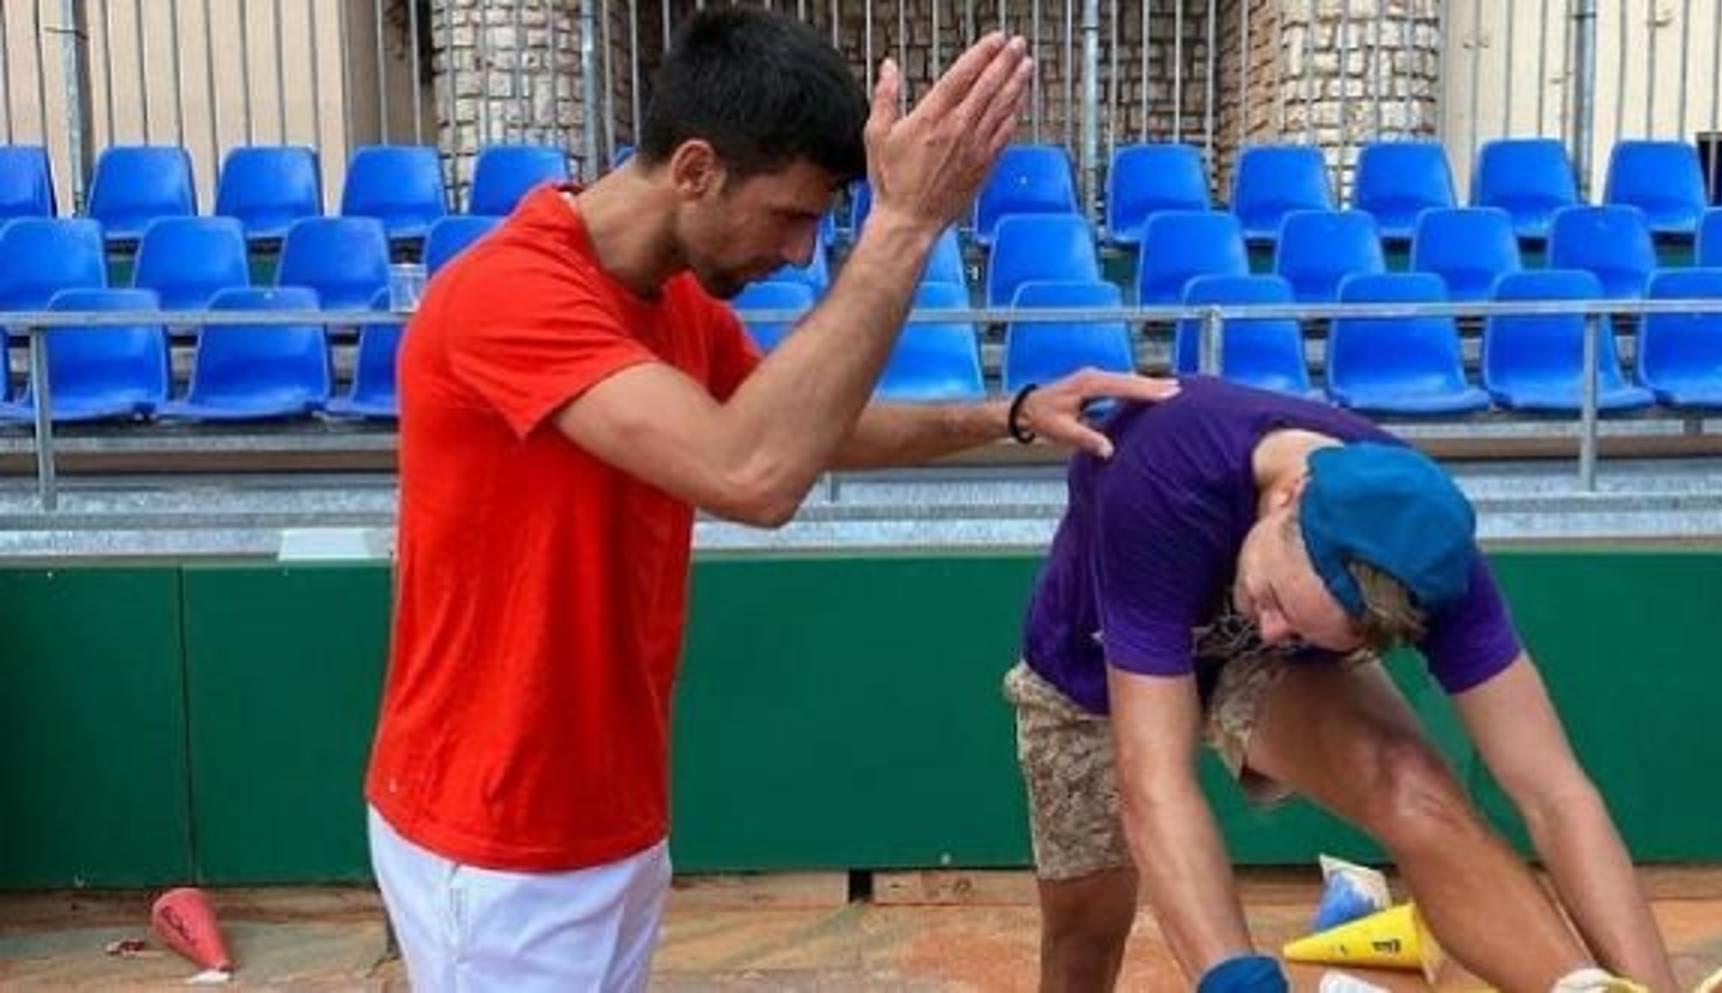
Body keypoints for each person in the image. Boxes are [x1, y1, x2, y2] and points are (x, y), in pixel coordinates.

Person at [362, 9, 1170, 990]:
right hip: (496, 826)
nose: (800, 253)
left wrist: (1008, 413)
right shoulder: (511, 295)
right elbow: (751, 472)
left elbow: (795, 425)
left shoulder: (676, 302)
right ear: (696, 169)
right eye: (792, 215)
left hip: (604, 806)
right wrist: (905, 226)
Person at [1005, 375, 1686, 993]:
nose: (1270, 629)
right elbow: (1154, 783)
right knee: (1084, 936)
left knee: (1410, 783)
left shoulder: (1422, 545)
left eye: (1297, 623)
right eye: (1274, 595)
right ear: (1290, 495)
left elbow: (1556, 792)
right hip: (1093, 664)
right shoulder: (1163, 474)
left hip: (1255, 643)